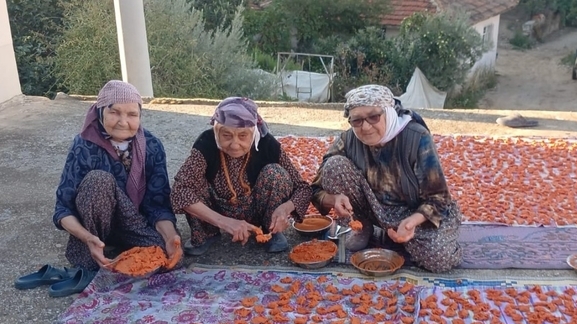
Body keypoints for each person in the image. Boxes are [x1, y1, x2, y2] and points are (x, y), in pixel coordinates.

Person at [49, 80, 181, 295]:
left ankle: (122, 248)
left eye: (132, 114)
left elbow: (158, 205)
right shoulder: (84, 145)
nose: (123, 122)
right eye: (114, 113)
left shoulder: (152, 146)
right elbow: (63, 210)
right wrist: (87, 237)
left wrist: (169, 237)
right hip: (93, 229)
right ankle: (95, 249)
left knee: (165, 257)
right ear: (100, 112)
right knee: (98, 180)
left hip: (134, 223)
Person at [310, 84, 461, 273]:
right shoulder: (348, 140)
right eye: (357, 120)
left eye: (374, 117)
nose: (365, 127)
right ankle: (361, 226)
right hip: (374, 209)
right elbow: (315, 189)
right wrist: (333, 199)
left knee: (439, 258)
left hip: (412, 213)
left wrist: (412, 222)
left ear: (389, 112)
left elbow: (438, 197)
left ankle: (401, 236)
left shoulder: (416, 138)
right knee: (334, 165)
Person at [171, 97, 311, 255]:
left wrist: (284, 209)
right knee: (191, 180)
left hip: (256, 209)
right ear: (217, 132)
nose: (235, 144)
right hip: (216, 208)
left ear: (253, 133)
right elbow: (179, 191)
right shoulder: (206, 143)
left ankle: (269, 231)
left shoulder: (267, 145)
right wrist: (225, 222)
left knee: (275, 174)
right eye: (226, 136)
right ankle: (206, 233)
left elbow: (303, 188)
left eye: (243, 136)